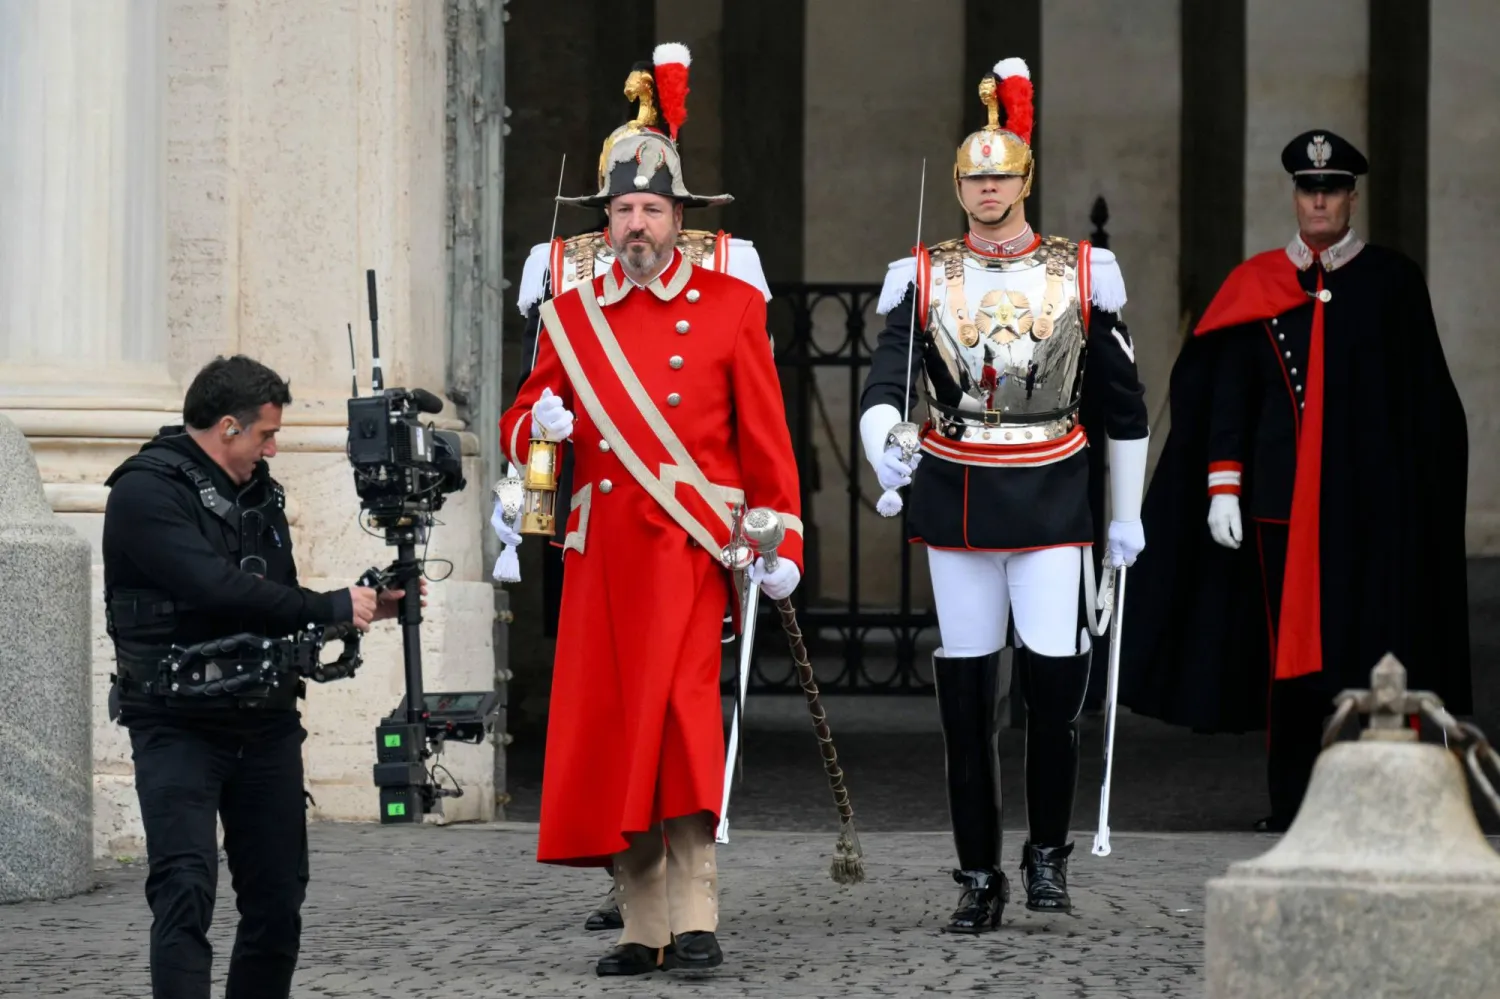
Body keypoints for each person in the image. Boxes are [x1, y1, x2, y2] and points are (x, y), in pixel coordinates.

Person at [494, 42, 804, 977]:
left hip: (685, 548)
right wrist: (534, 426)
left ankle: (696, 911)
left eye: (652, 210)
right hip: (600, 554)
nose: (637, 224)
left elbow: (765, 439)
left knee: (680, 721)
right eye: (624, 209)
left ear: (680, 219)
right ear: (609, 219)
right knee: (615, 726)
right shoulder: (572, 313)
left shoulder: (730, 308)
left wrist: (777, 530)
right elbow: (525, 428)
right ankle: (641, 925)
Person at [858, 57, 1149, 932]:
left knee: (1055, 686)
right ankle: (979, 871)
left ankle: (1048, 853)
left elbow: (1123, 405)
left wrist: (1127, 513)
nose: (988, 190)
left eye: (1002, 176)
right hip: (959, 492)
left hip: (1054, 487)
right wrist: (885, 448)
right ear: (958, 184)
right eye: (975, 178)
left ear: (1026, 180)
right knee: (966, 693)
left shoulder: (1081, 271)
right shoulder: (923, 271)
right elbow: (884, 381)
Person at [1119, 129, 1471, 831]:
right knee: (1288, 661)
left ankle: (1370, 801)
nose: (1320, 200)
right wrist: (1222, 485)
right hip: (1277, 507)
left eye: (1333, 188)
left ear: (1351, 197)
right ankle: (1294, 803)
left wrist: (1414, 498)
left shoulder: (1392, 283)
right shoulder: (1257, 283)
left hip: (1366, 508)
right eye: (1309, 189)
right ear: (1295, 195)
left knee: (1367, 649)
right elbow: (1227, 396)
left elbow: (1425, 404)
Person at [103, 355, 413, 999]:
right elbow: (214, 588)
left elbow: (270, 597)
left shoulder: (260, 490)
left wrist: (361, 609)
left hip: (266, 721)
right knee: (184, 888)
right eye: (266, 434)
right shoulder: (145, 491)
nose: (272, 447)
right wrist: (329, 604)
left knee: (276, 899)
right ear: (226, 427)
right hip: (176, 721)